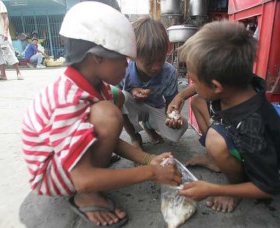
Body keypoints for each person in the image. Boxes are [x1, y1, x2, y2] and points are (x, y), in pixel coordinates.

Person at [21, 2, 182, 227]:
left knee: (115, 99)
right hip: (51, 175)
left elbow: (112, 138)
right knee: (109, 114)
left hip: (63, 160)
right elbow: (84, 179)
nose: (127, 67)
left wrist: (148, 159)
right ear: (97, 57)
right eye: (123, 60)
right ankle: (85, 197)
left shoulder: (95, 84)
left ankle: (92, 163)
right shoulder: (68, 100)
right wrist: (151, 172)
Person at [174, 21, 280, 213]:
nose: (191, 84)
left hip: (265, 167)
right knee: (197, 101)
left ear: (216, 87)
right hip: (235, 131)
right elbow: (200, 91)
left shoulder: (251, 127)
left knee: (215, 140)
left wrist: (213, 189)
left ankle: (235, 188)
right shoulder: (239, 84)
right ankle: (215, 159)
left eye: (194, 80)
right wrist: (181, 95)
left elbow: (268, 187)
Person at [119, 17, 188, 149]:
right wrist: (131, 90)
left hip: (156, 108)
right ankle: (135, 136)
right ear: (133, 55)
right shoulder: (124, 69)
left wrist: (173, 116)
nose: (156, 67)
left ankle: (149, 127)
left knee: (181, 126)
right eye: (149, 62)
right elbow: (112, 96)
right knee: (122, 97)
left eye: (161, 60)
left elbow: (171, 103)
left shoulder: (169, 72)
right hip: (133, 107)